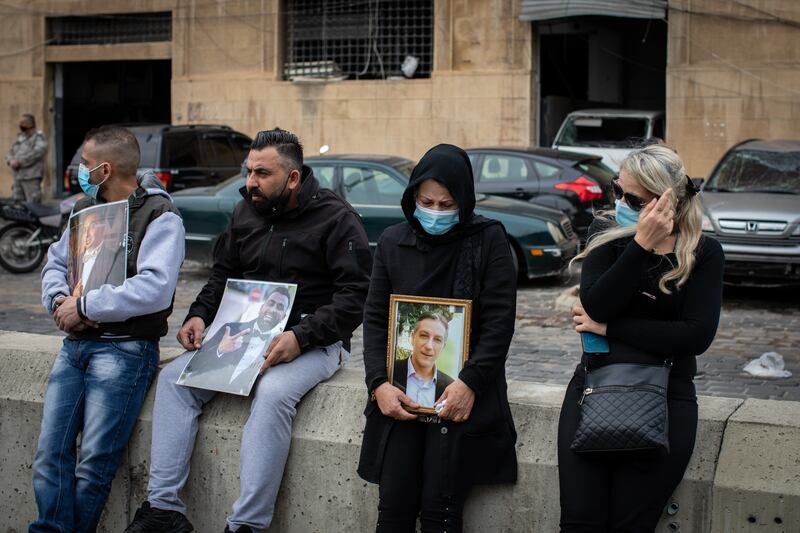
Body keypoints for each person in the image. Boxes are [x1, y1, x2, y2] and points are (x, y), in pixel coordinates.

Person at [125, 128, 371, 533]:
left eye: (262, 174)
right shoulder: (245, 211)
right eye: (248, 171)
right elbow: (223, 273)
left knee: (273, 392)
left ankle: (247, 525)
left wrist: (301, 338)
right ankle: (163, 510)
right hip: (244, 333)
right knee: (173, 380)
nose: (250, 183)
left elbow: (355, 296)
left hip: (315, 341)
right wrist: (199, 315)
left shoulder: (337, 218)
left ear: (292, 178)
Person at [557, 143, 725, 532]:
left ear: (668, 202)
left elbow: (695, 336)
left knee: (633, 523)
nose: (619, 202)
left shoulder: (703, 253)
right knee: (579, 521)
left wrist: (611, 330)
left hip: (666, 398)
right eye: (617, 190)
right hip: (595, 387)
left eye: (632, 198)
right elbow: (596, 305)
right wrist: (640, 245)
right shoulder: (606, 234)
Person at [357, 144, 518, 532]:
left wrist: (470, 384)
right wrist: (379, 384)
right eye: (426, 201)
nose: (435, 212)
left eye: (447, 204)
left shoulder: (489, 240)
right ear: (412, 197)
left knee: (441, 509)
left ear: (463, 200)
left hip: (462, 396)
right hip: (401, 398)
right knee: (393, 506)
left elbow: (499, 322)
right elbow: (376, 318)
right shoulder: (394, 242)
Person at [33, 126, 185, 532]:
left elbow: (154, 288)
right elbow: (55, 263)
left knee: (95, 464)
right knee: (50, 456)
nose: (80, 171)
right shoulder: (84, 207)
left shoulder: (160, 215)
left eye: (84, 164)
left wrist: (84, 306)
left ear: (105, 167)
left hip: (125, 350)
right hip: (75, 347)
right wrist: (59, 303)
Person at [178, 286, 292, 394]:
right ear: (262, 307)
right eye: (270, 303)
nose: (272, 310)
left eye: (280, 307)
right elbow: (194, 365)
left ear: (283, 317)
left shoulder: (279, 345)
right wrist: (220, 350)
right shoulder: (231, 329)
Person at [392, 313, 454, 409]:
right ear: (413, 337)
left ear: (443, 347)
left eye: (437, 340)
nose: (429, 346)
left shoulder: (450, 386)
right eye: (424, 336)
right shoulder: (389, 371)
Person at [69, 210, 127, 297]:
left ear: (103, 229)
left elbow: (113, 294)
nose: (86, 234)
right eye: (85, 229)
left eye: (92, 227)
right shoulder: (77, 259)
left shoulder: (114, 258)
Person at [5, 113, 48, 203]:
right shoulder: (21, 137)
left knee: (33, 204)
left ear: (30, 124)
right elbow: (10, 152)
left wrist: (19, 162)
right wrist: (10, 161)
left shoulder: (38, 137)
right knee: (18, 204)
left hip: (31, 178)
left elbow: (37, 153)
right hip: (18, 177)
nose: (20, 125)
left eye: (23, 123)